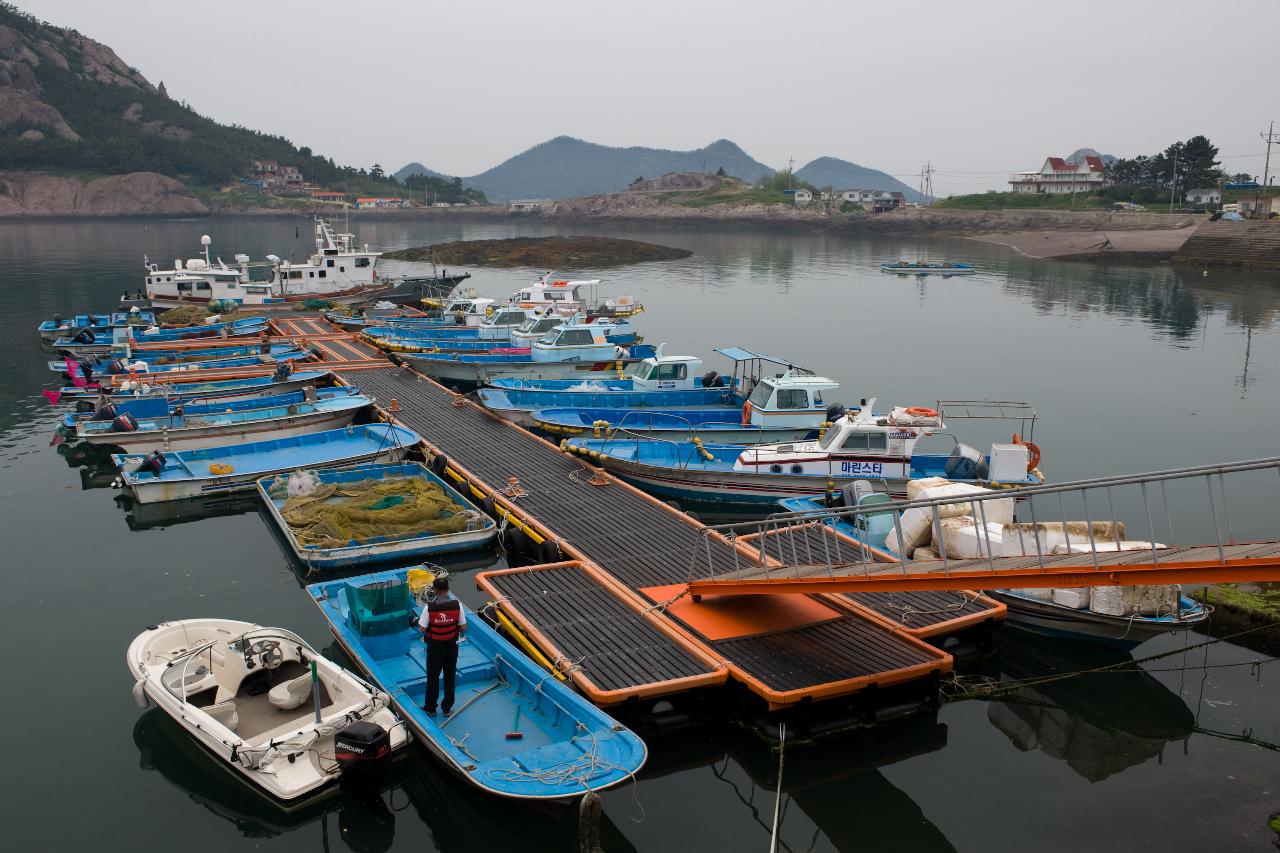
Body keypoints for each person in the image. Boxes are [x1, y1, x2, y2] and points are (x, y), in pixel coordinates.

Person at [416, 576, 465, 716]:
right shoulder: (457, 605)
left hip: (435, 648)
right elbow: (463, 627)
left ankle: (431, 709)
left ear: (435, 590)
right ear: (448, 589)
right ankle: (447, 708)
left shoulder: (429, 608)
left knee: (433, 678)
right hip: (451, 647)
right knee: (450, 677)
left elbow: (422, 629)